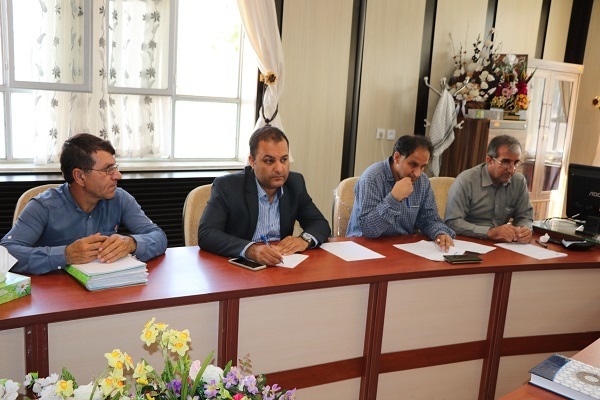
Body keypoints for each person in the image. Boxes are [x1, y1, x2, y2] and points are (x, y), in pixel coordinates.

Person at [1, 133, 168, 275]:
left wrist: (132, 243)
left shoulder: (120, 198)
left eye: (115, 168)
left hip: (105, 288)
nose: (118, 175)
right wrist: (65, 255)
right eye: (108, 170)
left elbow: (158, 236)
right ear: (80, 177)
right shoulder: (43, 206)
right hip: (55, 293)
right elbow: (6, 253)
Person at [198, 125, 331, 265]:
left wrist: (304, 240)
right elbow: (207, 234)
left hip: (281, 264)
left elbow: (320, 224)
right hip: (238, 267)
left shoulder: (295, 183)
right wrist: (250, 250)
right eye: (269, 161)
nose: (279, 168)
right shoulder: (228, 186)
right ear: (252, 161)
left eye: (284, 159)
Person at [346, 135, 455, 250]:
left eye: (423, 167)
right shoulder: (372, 178)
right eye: (413, 165)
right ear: (397, 158)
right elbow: (369, 230)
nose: (417, 173)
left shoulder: (422, 182)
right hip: (364, 247)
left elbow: (429, 219)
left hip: (402, 247)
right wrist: (394, 198)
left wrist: (440, 232)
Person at [444, 134, 533, 243]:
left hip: (502, 243)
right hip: (468, 242)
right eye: (505, 162)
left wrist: (524, 229)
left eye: (516, 163)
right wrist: (489, 232)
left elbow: (525, 216)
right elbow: (452, 222)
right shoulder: (466, 181)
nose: (512, 170)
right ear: (489, 160)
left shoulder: (518, 181)